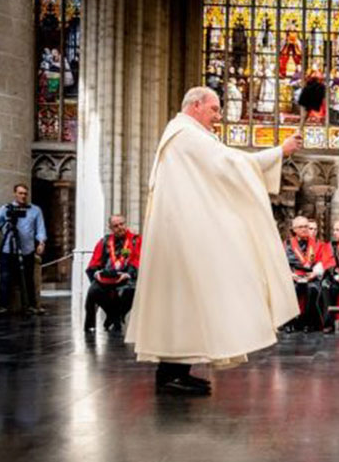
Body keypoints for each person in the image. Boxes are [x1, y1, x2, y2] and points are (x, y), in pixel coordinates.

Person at [125, 86, 302, 395]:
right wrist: (280, 151)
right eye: (215, 110)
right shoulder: (186, 135)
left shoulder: (186, 134)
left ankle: (178, 370)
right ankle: (169, 376)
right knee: (182, 304)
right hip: (180, 238)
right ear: (195, 105)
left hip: (184, 235)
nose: (218, 117)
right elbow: (232, 164)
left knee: (189, 305)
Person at [0, 183, 47, 314]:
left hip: (27, 249)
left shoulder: (35, 210)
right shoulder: (6, 209)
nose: (23, 196)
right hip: (8, 249)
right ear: (15, 194)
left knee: (28, 279)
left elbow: (40, 229)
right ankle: (2, 307)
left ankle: (31, 306)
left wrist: (41, 243)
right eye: (20, 193)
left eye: (25, 193)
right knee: (5, 278)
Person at [84, 215, 140, 333]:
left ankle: (115, 316)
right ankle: (94, 324)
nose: (120, 227)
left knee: (131, 290)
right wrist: (96, 273)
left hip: (126, 276)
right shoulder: (104, 241)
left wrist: (129, 274)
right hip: (106, 278)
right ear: (110, 228)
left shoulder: (135, 240)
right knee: (93, 291)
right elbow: (95, 261)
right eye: (115, 226)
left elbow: (138, 260)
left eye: (121, 224)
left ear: (126, 223)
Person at [284, 215, 325, 333]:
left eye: (306, 226)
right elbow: (281, 263)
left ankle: (308, 322)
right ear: (294, 229)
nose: (305, 229)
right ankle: (289, 322)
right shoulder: (286, 244)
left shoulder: (317, 244)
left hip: (311, 276)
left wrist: (314, 274)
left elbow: (322, 262)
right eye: (301, 227)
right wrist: (291, 275)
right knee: (290, 289)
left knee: (312, 289)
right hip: (293, 276)